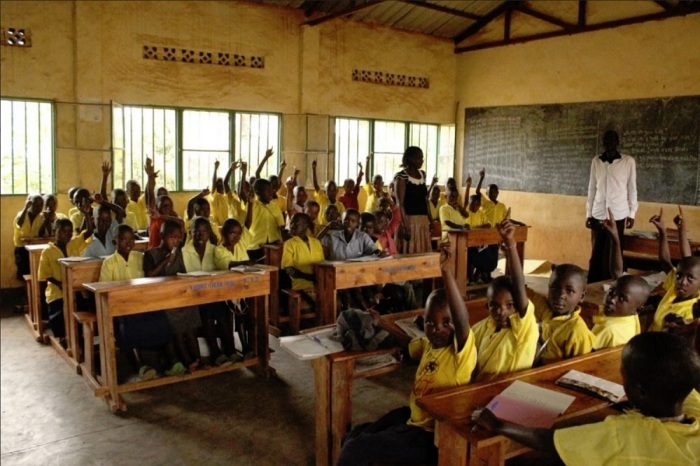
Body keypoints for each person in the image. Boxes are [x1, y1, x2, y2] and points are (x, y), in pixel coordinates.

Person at [336, 245, 476, 466]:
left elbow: (461, 319)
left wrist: (446, 271)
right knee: (355, 435)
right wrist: (382, 322)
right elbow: (409, 344)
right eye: (430, 322)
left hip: (430, 433)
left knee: (355, 450)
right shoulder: (430, 345)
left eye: (445, 323)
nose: (436, 329)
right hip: (412, 417)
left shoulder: (461, 353)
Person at [472, 332, 700, 465]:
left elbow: (547, 441)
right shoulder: (694, 410)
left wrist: (497, 423)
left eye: (623, 373)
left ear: (640, 391)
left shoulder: (625, 435)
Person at [101, 224, 185, 379]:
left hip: (143, 303)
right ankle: (140, 366)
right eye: (123, 239)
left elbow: (150, 277)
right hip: (121, 306)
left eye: (131, 239)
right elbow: (104, 290)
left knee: (160, 317)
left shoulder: (140, 257)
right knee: (125, 325)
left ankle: (172, 361)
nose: (128, 242)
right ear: (115, 242)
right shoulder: (109, 263)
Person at [472, 218, 538, 381]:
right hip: (480, 393)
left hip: (509, 395)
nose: (502, 312)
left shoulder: (522, 330)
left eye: (510, 305)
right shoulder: (486, 326)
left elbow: (518, 285)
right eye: (494, 306)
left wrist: (510, 244)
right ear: (487, 306)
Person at [143, 220, 202, 372]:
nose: (176, 241)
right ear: (162, 236)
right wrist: (165, 260)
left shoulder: (180, 254)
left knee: (190, 320)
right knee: (176, 325)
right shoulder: (151, 254)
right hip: (163, 300)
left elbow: (182, 274)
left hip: (179, 297)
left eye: (178, 239)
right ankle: (188, 361)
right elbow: (149, 276)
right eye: (172, 238)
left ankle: (198, 359)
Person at [591, 209, 649, 349]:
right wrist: (615, 238)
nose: (612, 299)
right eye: (611, 292)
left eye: (622, 299)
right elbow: (617, 274)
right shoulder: (630, 317)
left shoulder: (608, 330)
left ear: (638, 309)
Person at [586, 130, 638, 283]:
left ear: (617, 142)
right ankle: (594, 283)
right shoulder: (596, 161)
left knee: (615, 249)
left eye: (612, 141)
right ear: (603, 143)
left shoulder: (628, 162)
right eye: (606, 141)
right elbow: (592, 188)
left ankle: (613, 282)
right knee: (597, 251)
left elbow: (632, 188)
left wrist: (632, 213)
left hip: (619, 214)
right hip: (598, 213)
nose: (609, 144)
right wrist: (588, 214)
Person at [182, 216, 235, 365]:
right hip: (191, 297)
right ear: (190, 233)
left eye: (204, 231)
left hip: (213, 295)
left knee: (223, 311)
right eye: (195, 231)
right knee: (206, 313)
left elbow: (224, 267)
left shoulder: (215, 250)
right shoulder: (184, 252)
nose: (200, 235)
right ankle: (216, 352)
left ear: (209, 232)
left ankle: (230, 349)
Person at [38, 218, 91, 345]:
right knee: (60, 313)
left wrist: (86, 214)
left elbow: (89, 232)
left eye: (69, 232)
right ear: (54, 231)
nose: (66, 234)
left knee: (83, 307)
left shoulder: (73, 244)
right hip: (58, 291)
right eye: (62, 231)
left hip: (74, 289)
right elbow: (44, 275)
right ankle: (63, 336)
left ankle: (79, 335)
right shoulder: (48, 252)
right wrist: (60, 284)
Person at [647, 208, 700, 332]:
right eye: (679, 276)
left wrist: (681, 230)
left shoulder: (694, 310)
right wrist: (662, 231)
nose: (682, 281)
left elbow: (688, 260)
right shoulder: (675, 289)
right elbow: (666, 261)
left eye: (690, 278)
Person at [321, 209, 384, 310]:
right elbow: (315, 242)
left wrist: (379, 253)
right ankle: (363, 314)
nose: (349, 223)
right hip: (337, 275)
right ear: (341, 221)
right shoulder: (333, 235)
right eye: (346, 220)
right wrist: (327, 227)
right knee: (352, 292)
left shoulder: (362, 236)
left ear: (358, 224)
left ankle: (365, 313)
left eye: (353, 221)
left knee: (359, 290)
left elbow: (373, 250)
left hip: (356, 275)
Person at [533, 263, 594, 365]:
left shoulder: (577, 332)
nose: (560, 295)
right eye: (554, 288)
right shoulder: (546, 310)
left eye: (569, 290)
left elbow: (580, 369)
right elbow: (522, 291)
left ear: (581, 296)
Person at [281, 213, 325, 308]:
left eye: (296, 223)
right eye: (291, 223)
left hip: (319, 283)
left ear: (306, 225)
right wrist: (308, 277)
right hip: (301, 285)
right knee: (316, 306)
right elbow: (288, 269)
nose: (292, 226)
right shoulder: (289, 244)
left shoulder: (316, 242)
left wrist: (318, 279)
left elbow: (322, 265)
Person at [394, 146, 431, 254]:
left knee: (422, 251)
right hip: (409, 220)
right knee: (409, 251)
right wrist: (405, 226)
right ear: (410, 159)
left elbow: (425, 199)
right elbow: (400, 204)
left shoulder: (422, 174)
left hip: (422, 220)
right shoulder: (401, 176)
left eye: (422, 158)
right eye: (419, 158)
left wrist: (431, 220)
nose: (421, 161)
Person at [247, 178, 285, 263]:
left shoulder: (275, 207)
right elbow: (247, 224)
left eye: (271, 190)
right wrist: (250, 204)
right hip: (255, 246)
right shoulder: (252, 206)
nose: (271, 193)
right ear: (257, 192)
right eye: (267, 190)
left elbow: (281, 226)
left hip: (273, 246)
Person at [13, 194, 45, 280]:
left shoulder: (42, 217)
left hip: (35, 248)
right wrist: (25, 209)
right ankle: (27, 292)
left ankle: (33, 292)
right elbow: (19, 224)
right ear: (30, 204)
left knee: (35, 273)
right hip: (22, 249)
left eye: (41, 205)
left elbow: (41, 234)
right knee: (24, 273)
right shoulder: (21, 215)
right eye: (36, 205)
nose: (39, 207)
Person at [312, 160, 346, 226]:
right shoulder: (322, 200)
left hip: (334, 230)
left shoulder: (340, 205)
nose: (332, 192)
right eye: (329, 190)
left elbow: (342, 218)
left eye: (334, 190)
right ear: (325, 192)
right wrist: (314, 169)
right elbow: (316, 186)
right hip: (321, 229)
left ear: (337, 191)